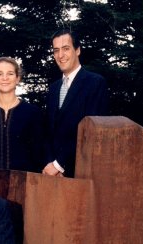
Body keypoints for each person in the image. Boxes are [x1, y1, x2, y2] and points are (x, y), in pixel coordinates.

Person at [43, 28, 109, 178]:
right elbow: (48, 131)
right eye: (56, 50)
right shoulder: (53, 89)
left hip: (81, 173)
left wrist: (59, 165)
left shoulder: (95, 83)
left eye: (66, 49)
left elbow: (90, 131)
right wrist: (49, 164)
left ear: (77, 50)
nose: (60, 55)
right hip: (51, 176)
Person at [0, 57, 43, 171]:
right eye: (0, 74)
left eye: (10, 73)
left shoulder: (32, 113)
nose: (5, 78)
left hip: (25, 181)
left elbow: (37, 153)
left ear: (17, 78)